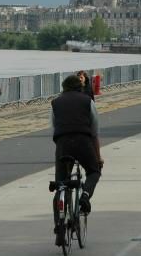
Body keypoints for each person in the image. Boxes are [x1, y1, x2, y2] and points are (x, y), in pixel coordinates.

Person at [50, 75, 103, 246]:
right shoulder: (88, 101)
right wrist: (98, 156)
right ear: (80, 87)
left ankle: (59, 229)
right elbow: (94, 131)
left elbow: (53, 126)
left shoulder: (55, 102)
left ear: (64, 87)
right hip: (83, 142)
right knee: (94, 171)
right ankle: (85, 196)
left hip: (63, 144)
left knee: (61, 184)